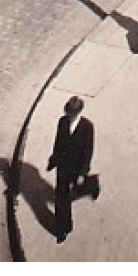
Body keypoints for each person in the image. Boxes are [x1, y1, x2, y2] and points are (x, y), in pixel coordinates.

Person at [47, 96, 98, 243]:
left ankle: (92, 185)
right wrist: (53, 159)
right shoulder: (62, 122)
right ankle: (63, 228)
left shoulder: (87, 127)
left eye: (72, 113)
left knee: (71, 193)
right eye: (68, 112)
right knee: (61, 198)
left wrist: (83, 173)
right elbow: (57, 142)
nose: (69, 116)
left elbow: (88, 151)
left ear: (79, 112)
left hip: (76, 169)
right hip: (63, 167)